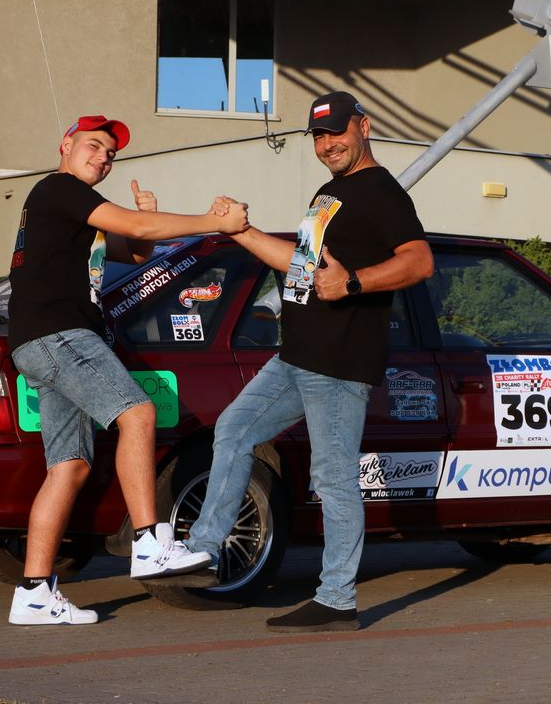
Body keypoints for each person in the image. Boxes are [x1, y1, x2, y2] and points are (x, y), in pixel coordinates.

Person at [182, 92, 434, 632]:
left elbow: (419, 260)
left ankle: (338, 599)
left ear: (364, 126)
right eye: (318, 136)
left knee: (333, 477)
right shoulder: (328, 194)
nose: (327, 144)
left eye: (336, 132)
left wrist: (355, 281)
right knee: (233, 430)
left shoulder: (381, 191)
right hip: (297, 355)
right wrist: (242, 233)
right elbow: (301, 269)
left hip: (340, 364)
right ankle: (203, 550)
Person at [6, 115, 249, 625]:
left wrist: (146, 219)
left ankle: (32, 592)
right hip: (60, 337)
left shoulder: (70, 209)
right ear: (65, 145)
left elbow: (133, 246)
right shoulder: (60, 188)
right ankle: (150, 543)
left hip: (40, 344)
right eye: (93, 146)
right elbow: (136, 232)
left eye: (111, 153)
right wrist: (214, 221)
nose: (103, 157)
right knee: (137, 412)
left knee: (69, 466)